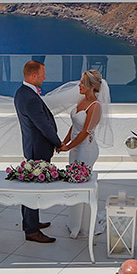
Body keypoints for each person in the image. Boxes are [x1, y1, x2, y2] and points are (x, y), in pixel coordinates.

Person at [14, 59, 62, 243]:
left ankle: (30, 222)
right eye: (42, 75)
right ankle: (32, 230)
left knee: (30, 187)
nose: (45, 77)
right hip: (38, 149)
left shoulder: (21, 93)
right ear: (33, 76)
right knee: (33, 189)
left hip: (32, 147)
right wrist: (57, 143)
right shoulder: (30, 98)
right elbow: (43, 125)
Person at [60, 69, 104, 239]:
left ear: (90, 86)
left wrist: (68, 147)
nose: (78, 85)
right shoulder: (82, 100)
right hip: (75, 147)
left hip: (86, 150)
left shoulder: (96, 106)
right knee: (74, 184)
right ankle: (74, 223)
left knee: (82, 185)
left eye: (81, 83)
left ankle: (84, 225)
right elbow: (74, 125)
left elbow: (85, 132)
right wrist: (64, 142)